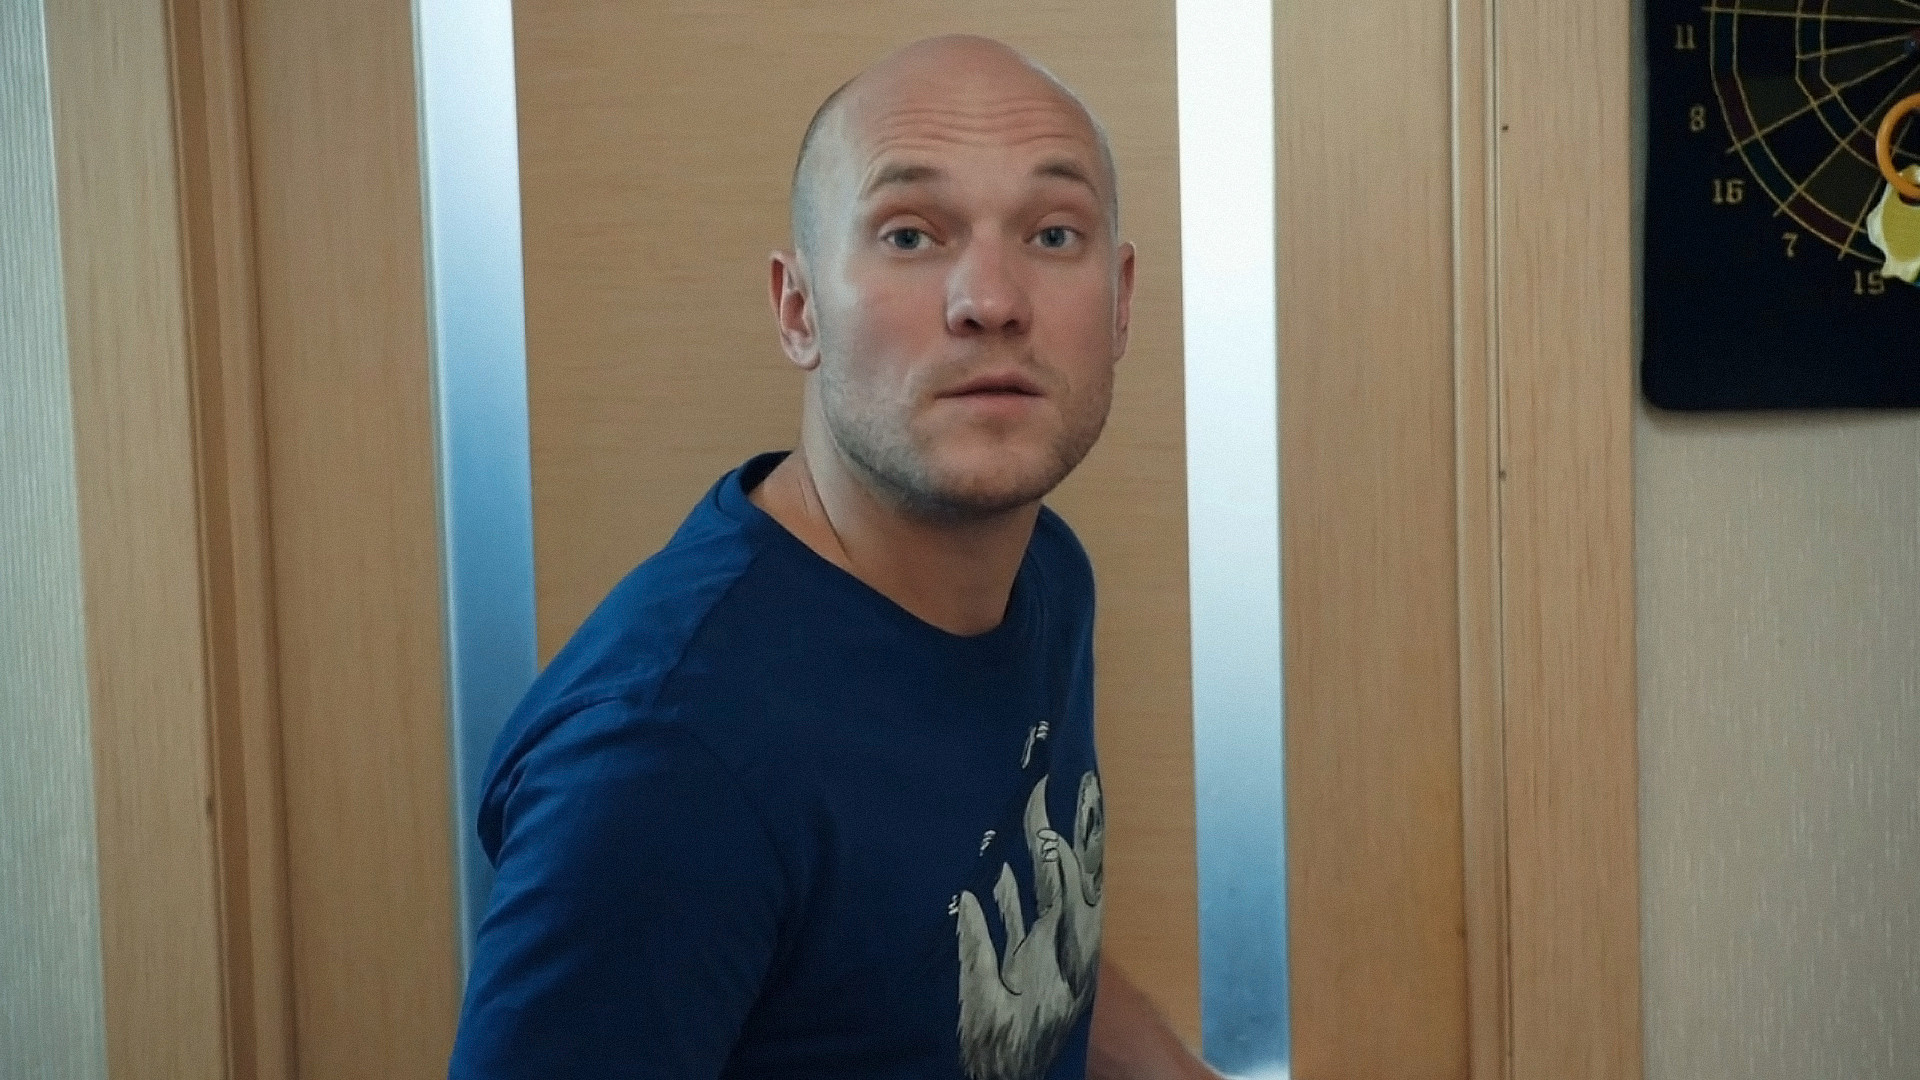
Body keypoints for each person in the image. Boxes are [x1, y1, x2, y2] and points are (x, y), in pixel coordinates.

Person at [448, 34, 1223, 1080]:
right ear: (799, 309)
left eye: (1052, 233)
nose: (990, 299)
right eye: (910, 235)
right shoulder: (662, 764)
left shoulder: (1042, 574)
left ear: (1121, 301)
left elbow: (1014, 948)